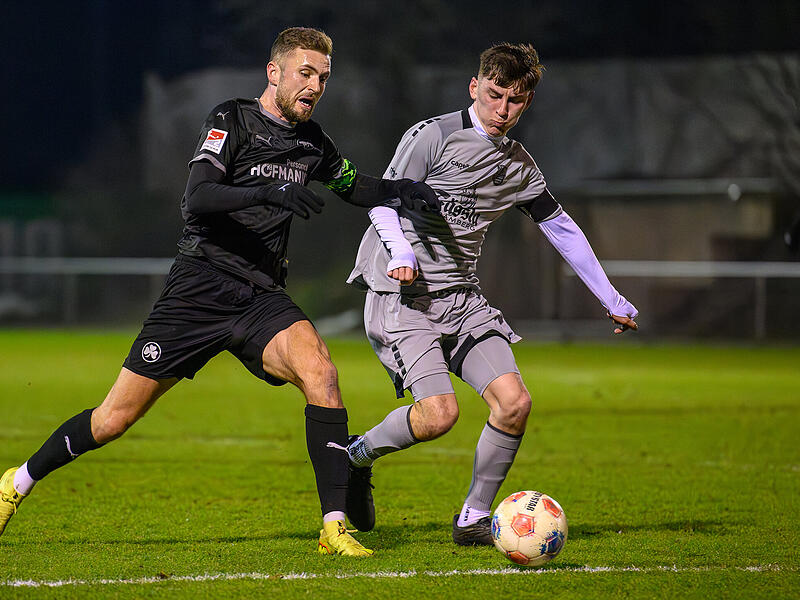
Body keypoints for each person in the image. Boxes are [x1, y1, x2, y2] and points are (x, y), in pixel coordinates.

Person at [0, 27, 439, 557]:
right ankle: (15, 483)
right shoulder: (229, 120)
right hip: (199, 287)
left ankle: (333, 527)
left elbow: (355, 185)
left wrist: (403, 191)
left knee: (320, 370)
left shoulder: (313, 143)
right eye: (306, 73)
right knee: (113, 419)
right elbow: (198, 198)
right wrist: (268, 189)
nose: (315, 85)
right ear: (273, 72)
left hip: (259, 295)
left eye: (323, 77)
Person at [344, 42, 638, 545]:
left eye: (516, 101)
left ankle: (473, 518)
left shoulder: (519, 166)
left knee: (514, 403)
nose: (502, 111)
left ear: (528, 103)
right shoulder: (432, 136)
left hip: (462, 298)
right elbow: (382, 200)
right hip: (404, 296)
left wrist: (610, 297)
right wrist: (402, 253)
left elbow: (561, 227)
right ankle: (354, 456)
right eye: (495, 94)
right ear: (475, 86)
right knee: (440, 415)